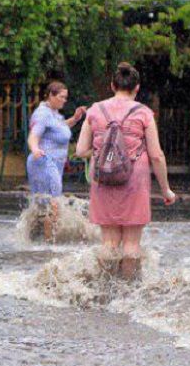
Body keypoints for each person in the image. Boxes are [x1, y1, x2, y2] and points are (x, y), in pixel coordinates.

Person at [75, 62, 177, 279]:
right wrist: (166, 190)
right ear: (137, 88)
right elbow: (156, 155)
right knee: (131, 244)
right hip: (134, 178)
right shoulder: (144, 113)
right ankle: (127, 292)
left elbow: (81, 149)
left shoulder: (94, 110)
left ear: (112, 85)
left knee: (109, 243)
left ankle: (104, 288)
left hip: (103, 178)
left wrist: (103, 153)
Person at [27, 81, 86, 240]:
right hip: (44, 163)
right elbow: (33, 136)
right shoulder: (42, 114)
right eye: (61, 97)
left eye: (66, 97)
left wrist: (75, 118)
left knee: (44, 204)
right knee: (53, 203)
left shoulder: (53, 113)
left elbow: (58, 128)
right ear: (51, 96)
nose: (64, 100)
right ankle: (48, 242)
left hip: (53, 165)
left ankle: (34, 239)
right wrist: (35, 149)